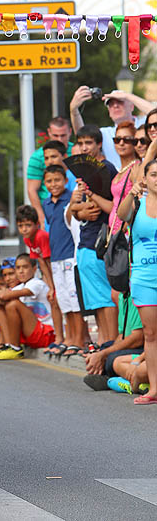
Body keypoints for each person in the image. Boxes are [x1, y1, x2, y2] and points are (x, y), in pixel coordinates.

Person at [69, 125, 118, 345]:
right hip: (85, 243)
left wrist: (88, 198)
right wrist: (78, 204)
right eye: (81, 143)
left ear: (99, 144)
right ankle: (104, 343)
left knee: (106, 298)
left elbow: (102, 210)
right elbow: (77, 214)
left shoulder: (106, 169)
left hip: (100, 243)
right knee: (96, 301)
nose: (84, 147)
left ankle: (111, 344)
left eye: (89, 143)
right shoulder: (82, 177)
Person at [118, 159, 157, 405]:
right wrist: (131, 193)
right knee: (151, 334)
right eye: (154, 174)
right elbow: (121, 216)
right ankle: (154, 388)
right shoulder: (139, 200)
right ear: (147, 177)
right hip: (143, 277)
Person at [42, 165, 85, 356]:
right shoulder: (46, 203)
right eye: (49, 181)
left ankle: (79, 339)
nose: (54, 184)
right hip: (56, 257)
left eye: (57, 180)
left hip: (70, 255)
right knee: (64, 300)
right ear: (45, 184)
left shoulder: (71, 198)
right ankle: (69, 338)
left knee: (75, 300)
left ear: (65, 180)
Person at [0, 254, 55, 360]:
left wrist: (2, 295)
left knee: (13, 304)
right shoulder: (20, 286)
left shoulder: (36, 283)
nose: (21, 271)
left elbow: (4, 295)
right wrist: (1, 296)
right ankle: (8, 344)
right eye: (18, 268)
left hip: (45, 334)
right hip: (31, 332)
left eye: (25, 267)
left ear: (34, 268)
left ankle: (15, 348)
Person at [69, 87, 152, 169]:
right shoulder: (105, 133)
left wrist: (128, 96)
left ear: (131, 107)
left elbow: (154, 113)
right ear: (109, 112)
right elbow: (82, 135)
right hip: (117, 180)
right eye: (111, 104)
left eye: (120, 102)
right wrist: (74, 109)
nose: (115, 105)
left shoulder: (146, 124)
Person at [15, 205, 63, 345]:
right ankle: (59, 336)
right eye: (21, 225)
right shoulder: (27, 239)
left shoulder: (41, 236)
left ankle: (60, 337)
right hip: (49, 271)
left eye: (28, 225)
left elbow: (48, 261)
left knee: (56, 302)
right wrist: (49, 285)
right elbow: (41, 262)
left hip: (58, 266)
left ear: (37, 224)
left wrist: (53, 287)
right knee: (54, 301)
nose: (24, 229)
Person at [82, 292, 144, 391]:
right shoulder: (122, 296)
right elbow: (122, 335)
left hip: (144, 349)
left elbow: (138, 338)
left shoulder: (138, 295)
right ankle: (116, 378)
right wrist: (103, 353)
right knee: (105, 347)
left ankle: (124, 381)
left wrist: (105, 354)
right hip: (139, 348)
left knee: (113, 360)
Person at [27, 117, 73, 226]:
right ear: (49, 132)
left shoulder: (77, 150)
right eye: (55, 136)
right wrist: (42, 220)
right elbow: (32, 190)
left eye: (63, 135)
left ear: (70, 132)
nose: (59, 140)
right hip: (49, 209)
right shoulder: (37, 157)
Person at [109, 121, 140, 235]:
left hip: (126, 234)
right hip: (113, 234)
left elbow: (139, 201)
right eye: (117, 140)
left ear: (134, 143)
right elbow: (115, 205)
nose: (121, 143)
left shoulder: (136, 168)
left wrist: (125, 227)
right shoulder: (120, 171)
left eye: (127, 140)